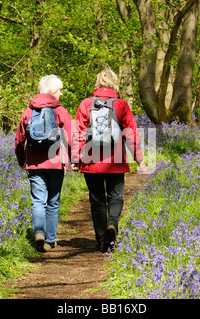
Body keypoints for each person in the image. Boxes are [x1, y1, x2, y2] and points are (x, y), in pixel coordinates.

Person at [71, 68, 146, 253]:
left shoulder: (86, 104)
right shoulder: (121, 105)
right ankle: (112, 223)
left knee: (97, 200)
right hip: (116, 160)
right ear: (115, 83)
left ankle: (101, 240)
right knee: (116, 196)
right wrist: (140, 160)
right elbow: (131, 133)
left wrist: (75, 158)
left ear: (98, 83)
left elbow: (78, 133)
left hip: (91, 160)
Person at [15, 75, 72, 252]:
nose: (61, 93)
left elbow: (19, 140)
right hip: (56, 163)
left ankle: (39, 233)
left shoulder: (29, 111)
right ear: (52, 91)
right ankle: (52, 239)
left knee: (38, 201)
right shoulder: (60, 111)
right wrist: (74, 160)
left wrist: (22, 161)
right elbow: (71, 137)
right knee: (53, 201)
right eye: (60, 90)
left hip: (35, 165)